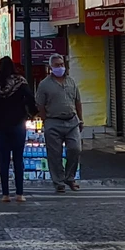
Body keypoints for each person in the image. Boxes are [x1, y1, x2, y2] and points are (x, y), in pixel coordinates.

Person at [0, 57, 36, 203]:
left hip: (0, 125)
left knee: (4, 160)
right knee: (18, 159)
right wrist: (31, 113)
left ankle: (5, 194)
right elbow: (30, 97)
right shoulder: (19, 81)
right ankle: (19, 193)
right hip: (18, 122)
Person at [35, 54, 84, 193]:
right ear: (51, 67)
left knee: (75, 149)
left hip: (72, 121)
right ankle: (58, 182)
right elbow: (40, 105)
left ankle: (70, 177)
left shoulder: (71, 81)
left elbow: (77, 102)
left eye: (62, 64)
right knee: (54, 154)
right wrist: (45, 120)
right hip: (53, 121)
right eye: (57, 65)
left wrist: (81, 119)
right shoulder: (44, 84)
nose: (60, 67)